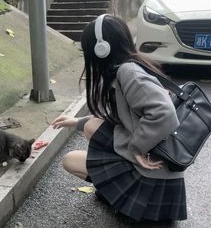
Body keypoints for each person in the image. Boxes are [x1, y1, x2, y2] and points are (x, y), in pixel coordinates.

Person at [52, 14, 187, 222]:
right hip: (158, 164)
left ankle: (124, 195)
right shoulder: (130, 66)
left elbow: (164, 113)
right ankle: (117, 192)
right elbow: (119, 118)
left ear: (101, 49)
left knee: (70, 160)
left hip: (151, 176)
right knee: (90, 126)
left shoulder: (128, 72)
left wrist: (136, 148)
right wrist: (76, 121)